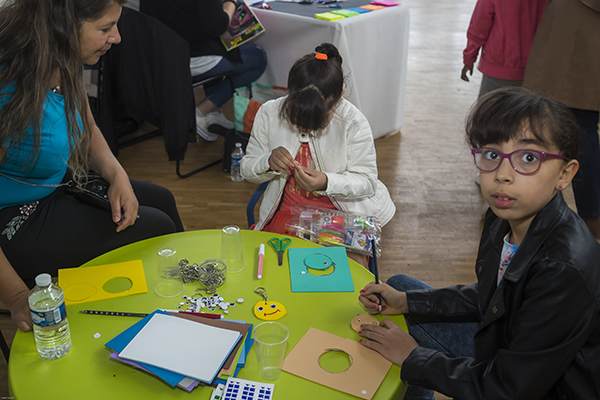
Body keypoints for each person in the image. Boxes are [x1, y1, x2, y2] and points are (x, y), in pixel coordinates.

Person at [358, 88, 600, 399]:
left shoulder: (562, 269)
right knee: (401, 286)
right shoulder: (500, 218)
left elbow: (508, 389)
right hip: (506, 343)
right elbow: (495, 295)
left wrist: (412, 357)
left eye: (528, 158)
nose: (502, 175)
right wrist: (407, 301)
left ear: (564, 174)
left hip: (540, 387)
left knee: (407, 351)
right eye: (492, 155)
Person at [0, 0, 184, 333]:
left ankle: (182, 309)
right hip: (14, 217)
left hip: (52, 185)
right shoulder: (7, 93)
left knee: (163, 200)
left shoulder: (62, 56)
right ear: (63, 24)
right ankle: (160, 326)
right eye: (105, 28)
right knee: (156, 228)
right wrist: (14, 296)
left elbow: (85, 123)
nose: (117, 37)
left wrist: (117, 175)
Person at [241, 43, 396, 267]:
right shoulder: (269, 113)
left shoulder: (352, 122)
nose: (305, 128)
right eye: (297, 116)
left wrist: (326, 181)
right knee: (278, 270)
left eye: (317, 120)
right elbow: (247, 169)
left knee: (347, 275)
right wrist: (268, 162)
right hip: (287, 213)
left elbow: (367, 182)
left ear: (339, 98)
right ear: (289, 92)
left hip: (340, 214)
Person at [523, 0, 600, 243]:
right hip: (575, 30)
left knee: (575, 126)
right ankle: (576, 218)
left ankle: (590, 221)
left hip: (579, 30)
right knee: (561, 123)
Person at [139, 0, 268, 142]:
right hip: (191, 58)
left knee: (217, 43)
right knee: (259, 58)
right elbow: (218, 26)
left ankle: (213, 112)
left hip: (159, 56)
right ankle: (201, 112)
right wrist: (231, 2)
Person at [460, 0, 547, 97]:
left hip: (498, 68)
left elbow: (479, 26)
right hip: (534, 69)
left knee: (491, 106)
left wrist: (469, 58)